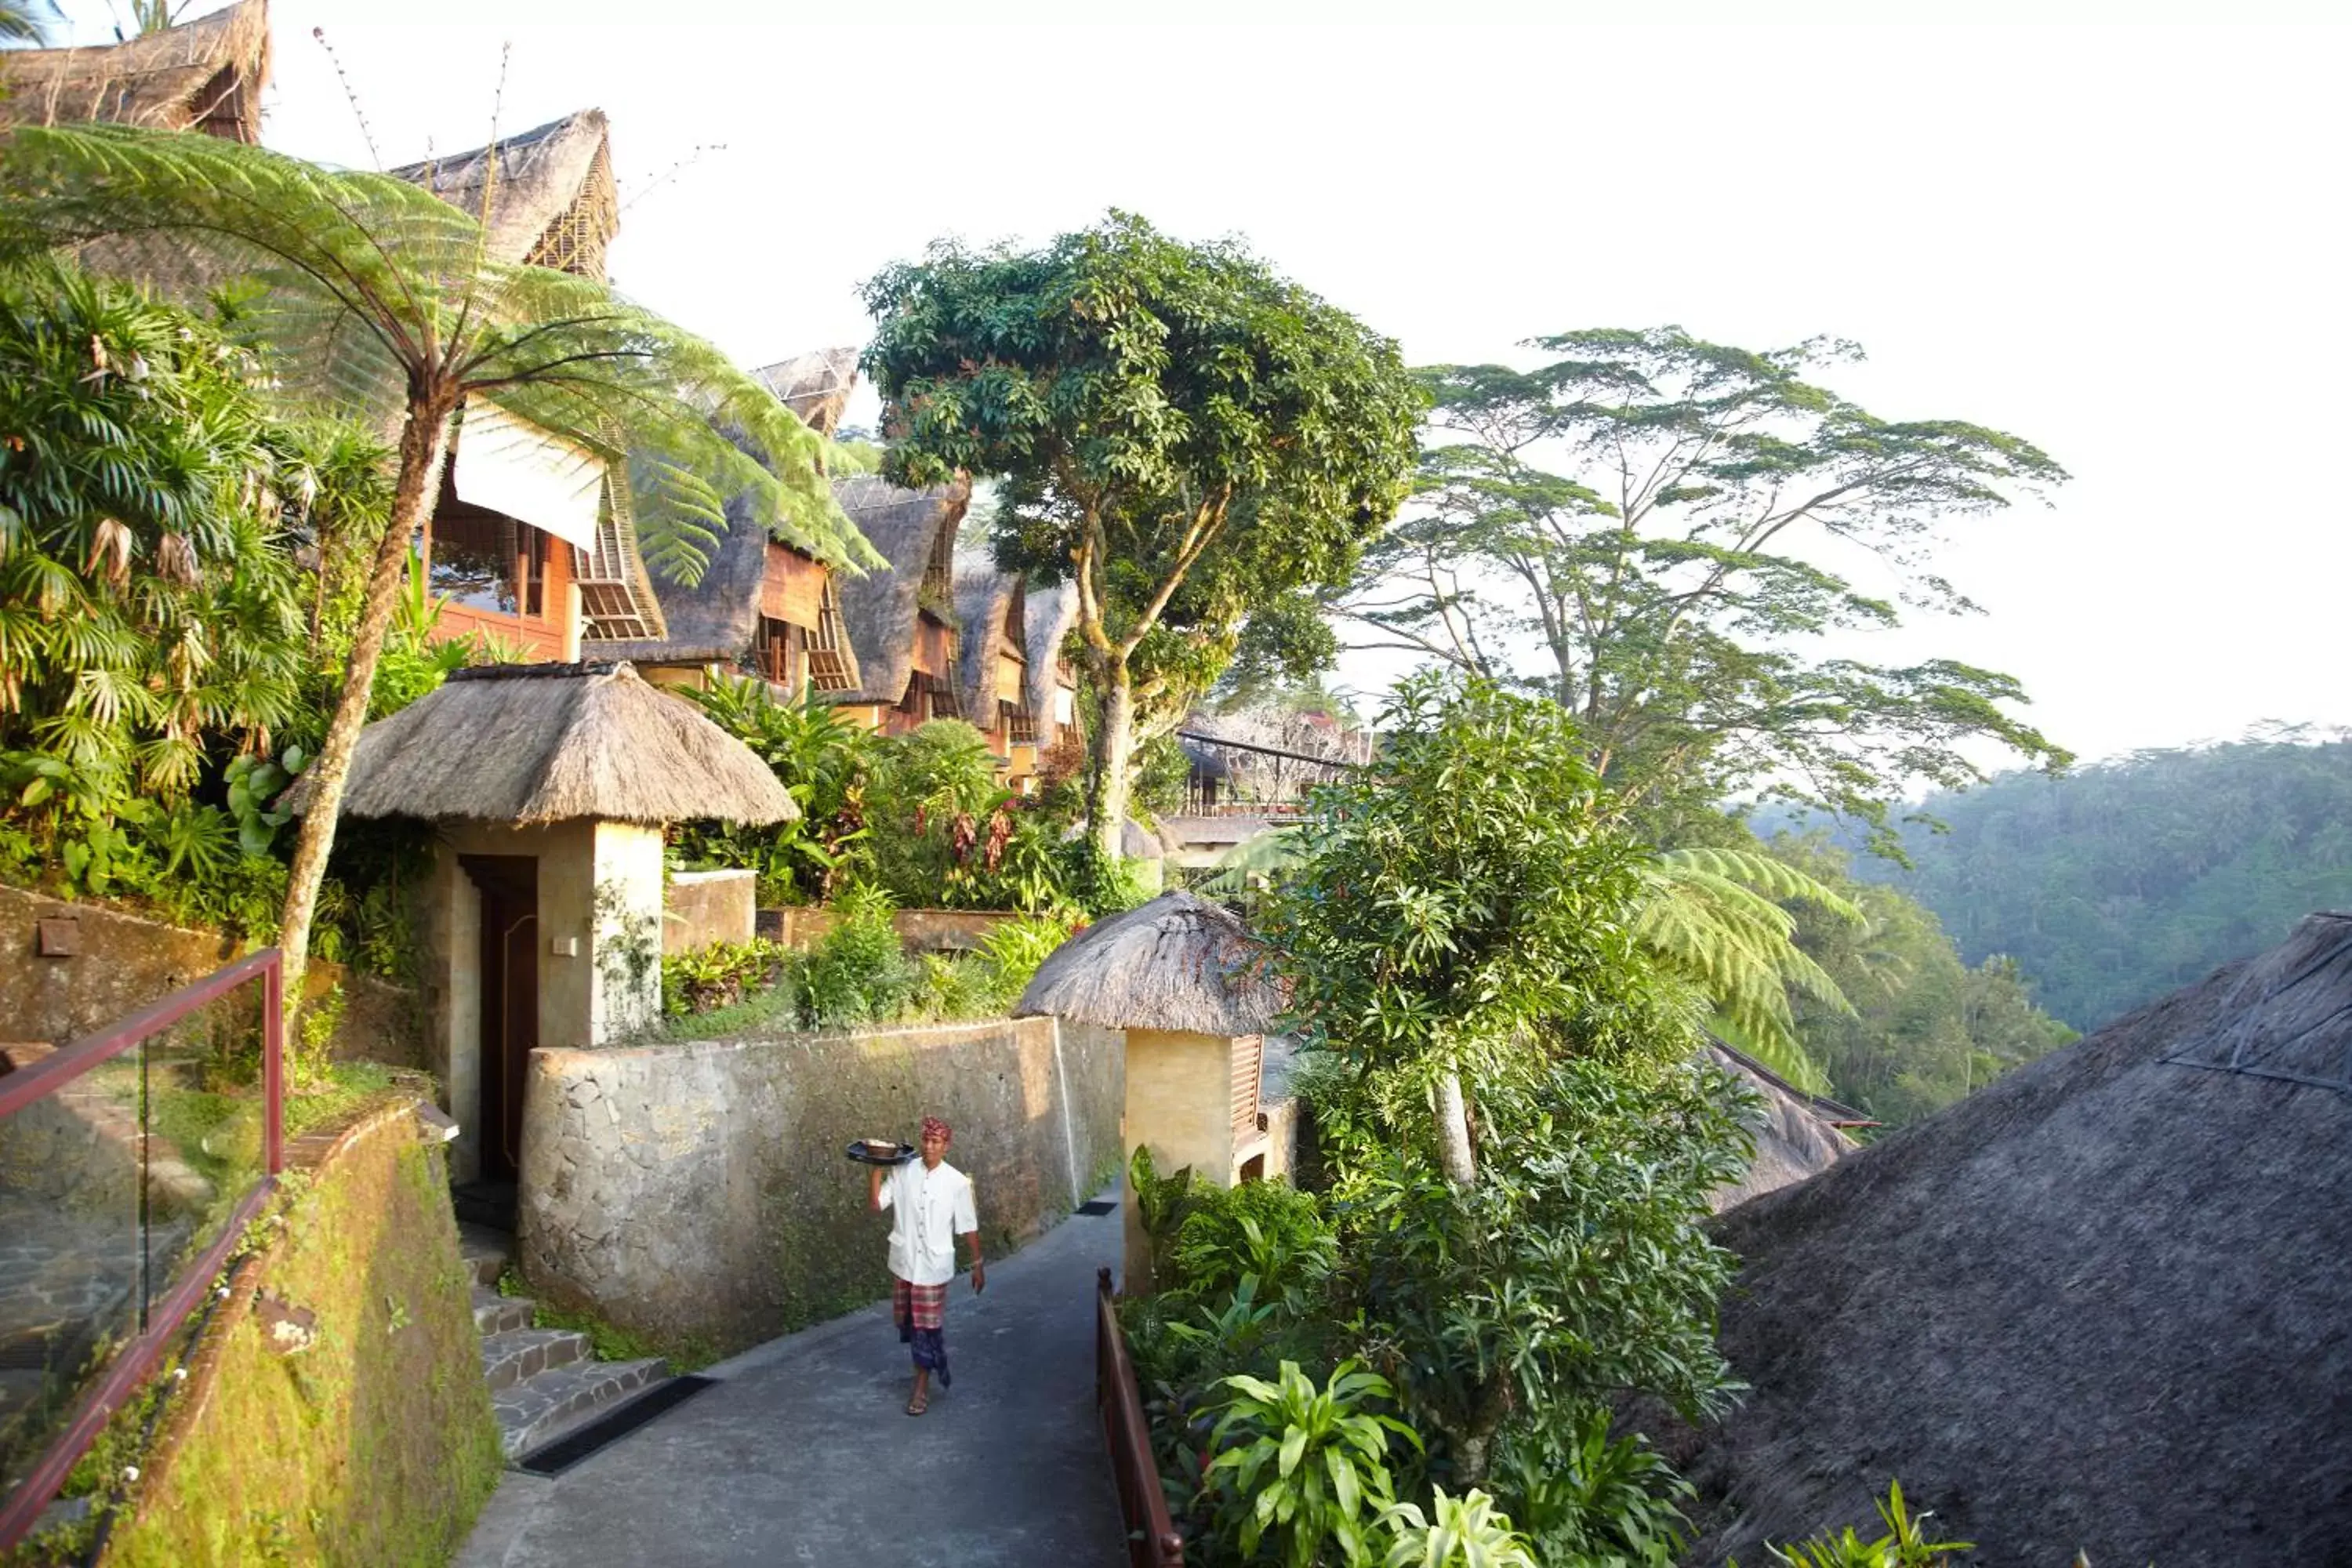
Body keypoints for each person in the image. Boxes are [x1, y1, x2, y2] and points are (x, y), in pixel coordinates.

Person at [869, 1115, 983, 1415]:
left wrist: (978, 1265)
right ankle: (927, 1366)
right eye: (926, 1141)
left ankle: (921, 1385)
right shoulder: (904, 1171)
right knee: (909, 1323)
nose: (929, 1147)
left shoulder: (957, 1182)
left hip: (933, 1268)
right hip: (905, 1262)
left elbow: (968, 1226)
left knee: (925, 1327)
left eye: (936, 1142)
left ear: (946, 1146)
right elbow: (877, 1205)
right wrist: (877, 1170)